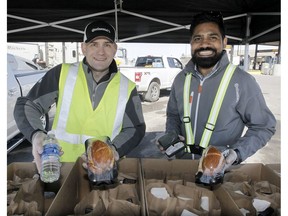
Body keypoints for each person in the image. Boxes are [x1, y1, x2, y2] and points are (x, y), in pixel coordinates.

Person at [14, 20, 146, 172]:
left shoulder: (127, 87)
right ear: (83, 48)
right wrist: (37, 134)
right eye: (94, 44)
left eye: (107, 45)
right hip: (60, 168)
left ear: (115, 49)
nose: (101, 52)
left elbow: (135, 128)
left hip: (103, 172)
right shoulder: (62, 73)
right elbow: (27, 105)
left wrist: (114, 149)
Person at [158, 11, 276, 170]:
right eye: (197, 38)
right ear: (191, 43)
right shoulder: (181, 79)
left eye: (212, 37)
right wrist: (171, 135)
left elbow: (264, 126)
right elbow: (173, 115)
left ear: (224, 41)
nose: (204, 44)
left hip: (219, 172)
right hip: (181, 167)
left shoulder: (242, 81)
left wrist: (237, 152)